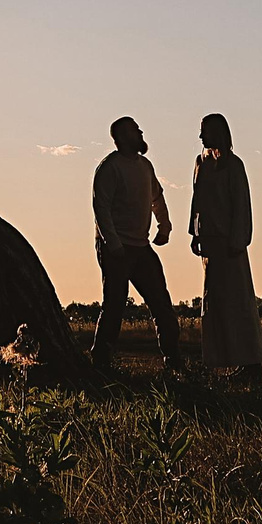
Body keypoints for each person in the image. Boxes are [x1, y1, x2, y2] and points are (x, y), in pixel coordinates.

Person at [89, 115, 180, 373]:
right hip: (115, 249)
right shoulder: (109, 168)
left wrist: (165, 226)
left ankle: (173, 361)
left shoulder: (145, 166)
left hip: (141, 248)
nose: (140, 132)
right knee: (114, 305)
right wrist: (113, 244)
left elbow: (157, 197)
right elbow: (101, 208)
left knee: (161, 304)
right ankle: (101, 361)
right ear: (121, 138)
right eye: (134, 131)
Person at [190, 112, 262, 379]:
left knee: (238, 303)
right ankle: (220, 360)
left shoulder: (234, 166)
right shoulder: (200, 164)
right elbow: (196, 201)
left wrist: (239, 240)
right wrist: (195, 233)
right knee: (215, 304)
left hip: (229, 244)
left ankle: (250, 363)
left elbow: (242, 205)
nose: (201, 137)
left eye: (205, 131)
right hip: (210, 245)